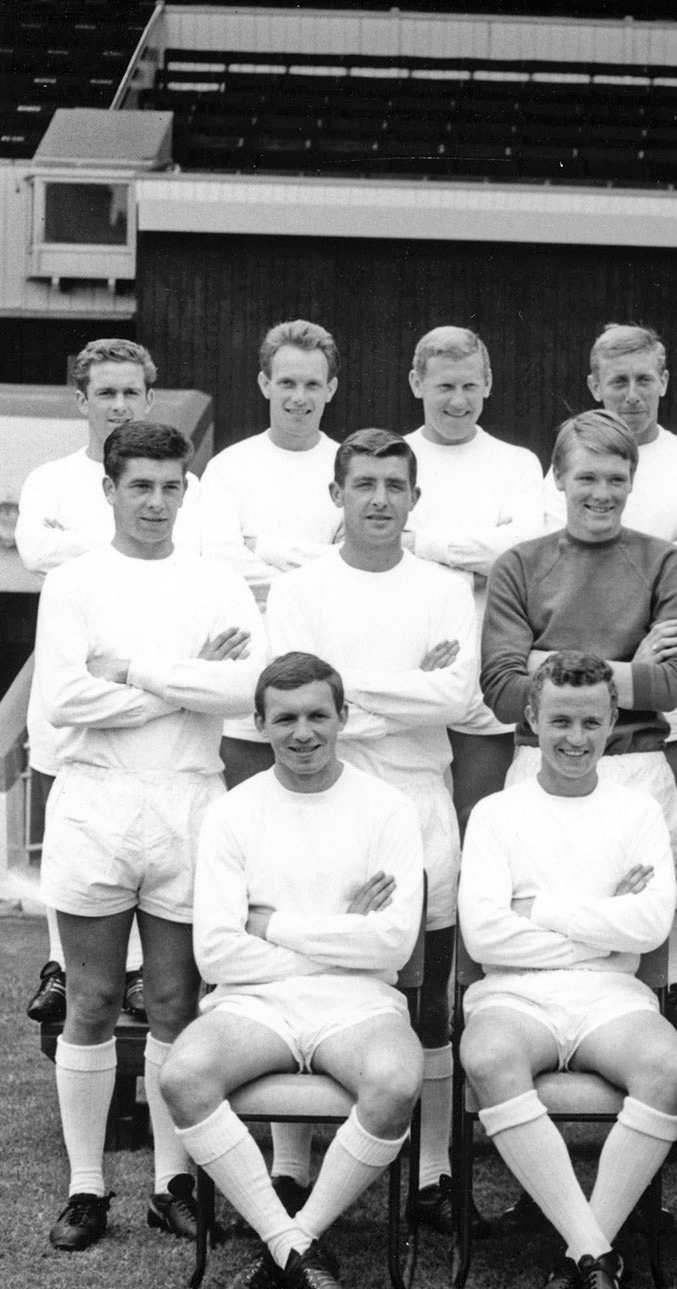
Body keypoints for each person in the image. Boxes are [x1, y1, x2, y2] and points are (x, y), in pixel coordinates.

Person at [36, 421, 264, 1251]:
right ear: (109, 490)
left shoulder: (218, 582)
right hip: (96, 802)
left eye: (172, 486)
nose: (157, 503)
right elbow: (66, 699)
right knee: (93, 1000)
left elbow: (243, 690)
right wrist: (184, 679)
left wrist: (132, 670)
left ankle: (170, 1183)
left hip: (191, 801)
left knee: (174, 999)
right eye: (141, 486)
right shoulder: (74, 583)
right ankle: (87, 1185)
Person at [260, 428, 483, 1233]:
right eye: (364, 484)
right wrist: (398, 691)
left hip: (419, 796)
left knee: (426, 996)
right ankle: (290, 1167)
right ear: (337, 495)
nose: (380, 499)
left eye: (395, 485)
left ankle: (431, 1173)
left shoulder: (444, 589)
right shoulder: (300, 590)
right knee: (307, 971)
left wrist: (344, 695)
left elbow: (453, 698)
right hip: (320, 798)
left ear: (415, 499)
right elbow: (294, 702)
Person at [161, 652, 425, 1289]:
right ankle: (293, 1248)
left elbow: (393, 944)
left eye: (317, 715)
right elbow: (216, 949)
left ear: (343, 717)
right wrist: (341, 936)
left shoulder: (389, 809)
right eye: (285, 718)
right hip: (256, 1004)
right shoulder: (233, 812)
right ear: (260, 723)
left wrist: (276, 925)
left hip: (359, 1004)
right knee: (185, 1076)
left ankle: (293, 1236)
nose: (302, 732)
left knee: (396, 1082)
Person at [457, 650, 677, 1289]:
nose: (576, 738)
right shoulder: (497, 814)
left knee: (668, 1067)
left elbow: (648, 927)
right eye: (560, 720)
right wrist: (601, 925)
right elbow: (485, 938)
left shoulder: (639, 809)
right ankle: (596, 1254)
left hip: (608, 994)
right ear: (531, 717)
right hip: (515, 994)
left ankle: (576, 1255)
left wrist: (539, 910)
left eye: (592, 722)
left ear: (614, 721)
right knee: (491, 1059)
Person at [542, 322, 677, 1031]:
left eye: (643, 379)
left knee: (665, 843)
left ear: (664, 380)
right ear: (594, 385)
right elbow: (559, 565)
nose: (631, 393)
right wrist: (631, 644)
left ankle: (670, 983)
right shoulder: (566, 459)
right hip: (619, 674)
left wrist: (661, 596)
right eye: (616, 381)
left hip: (666, 688)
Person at [17, 339, 199, 1032]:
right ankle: (64, 968)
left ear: (149, 399)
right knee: (76, 846)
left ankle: (132, 978)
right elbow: (38, 550)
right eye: (105, 393)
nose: (118, 405)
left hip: (149, 702)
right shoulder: (49, 480)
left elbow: (185, 557)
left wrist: (99, 541)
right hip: (72, 699)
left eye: (131, 393)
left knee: (145, 841)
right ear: (81, 399)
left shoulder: (183, 488)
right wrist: (119, 540)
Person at [479, 410, 677, 852]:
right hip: (538, 769)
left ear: (633, 480)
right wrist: (628, 672)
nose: (603, 494)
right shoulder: (518, 566)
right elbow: (503, 694)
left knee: (634, 915)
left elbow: (673, 686)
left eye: (616, 479)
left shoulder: (668, 565)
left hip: (636, 770)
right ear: (559, 478)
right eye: (587, 478)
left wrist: (543, 664)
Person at [401, 326, 548, 834]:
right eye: (444, 386)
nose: (458, 401)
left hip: (487, 676)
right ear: (417, 383)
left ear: (488, 383)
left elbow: (524, 553)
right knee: (408, 826)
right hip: (406, 667)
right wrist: (479, 556)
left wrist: (423, 545)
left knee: (478, 824)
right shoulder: (392, 459)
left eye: (470, 385)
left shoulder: (517, 463)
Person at [190, 319, 344, 606]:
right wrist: (318, 580)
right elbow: (222, 564)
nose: (299, 397)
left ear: (330, 389)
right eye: (287, 383)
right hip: (249, 636)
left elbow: (355, 565)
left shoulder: (351, 468)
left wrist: (263, 548)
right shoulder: (227, 467)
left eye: (312, 384)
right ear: (265, 384)